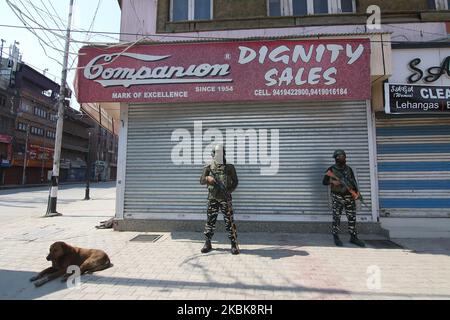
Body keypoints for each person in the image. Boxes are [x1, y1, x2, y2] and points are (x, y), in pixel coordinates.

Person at [200, 144, 239, 254]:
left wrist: (229, 191)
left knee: (229, 221)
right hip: (213, 198)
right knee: (210, 221)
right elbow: (201, 180)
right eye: (216, 153)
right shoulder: (208, 167)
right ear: (213, 154)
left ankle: (233, 244)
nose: (218, 155)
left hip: (225, 199)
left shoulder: (229, 167)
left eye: (220, 153)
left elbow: (235, 182)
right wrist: (208, 178)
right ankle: (207, 243)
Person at [322, 149, 365, 247]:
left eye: (343, 156)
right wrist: (332, 182)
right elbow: (324, 182)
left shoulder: (349, 169)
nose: (341, 158)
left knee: (352, 217)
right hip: (337, 197)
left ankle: (353, 237)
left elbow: (354, 182)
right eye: (339, 157)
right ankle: (336, 236)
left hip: (349, 197)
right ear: (335, 158)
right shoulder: (331, 170)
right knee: (336, 217)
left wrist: (357, 193)